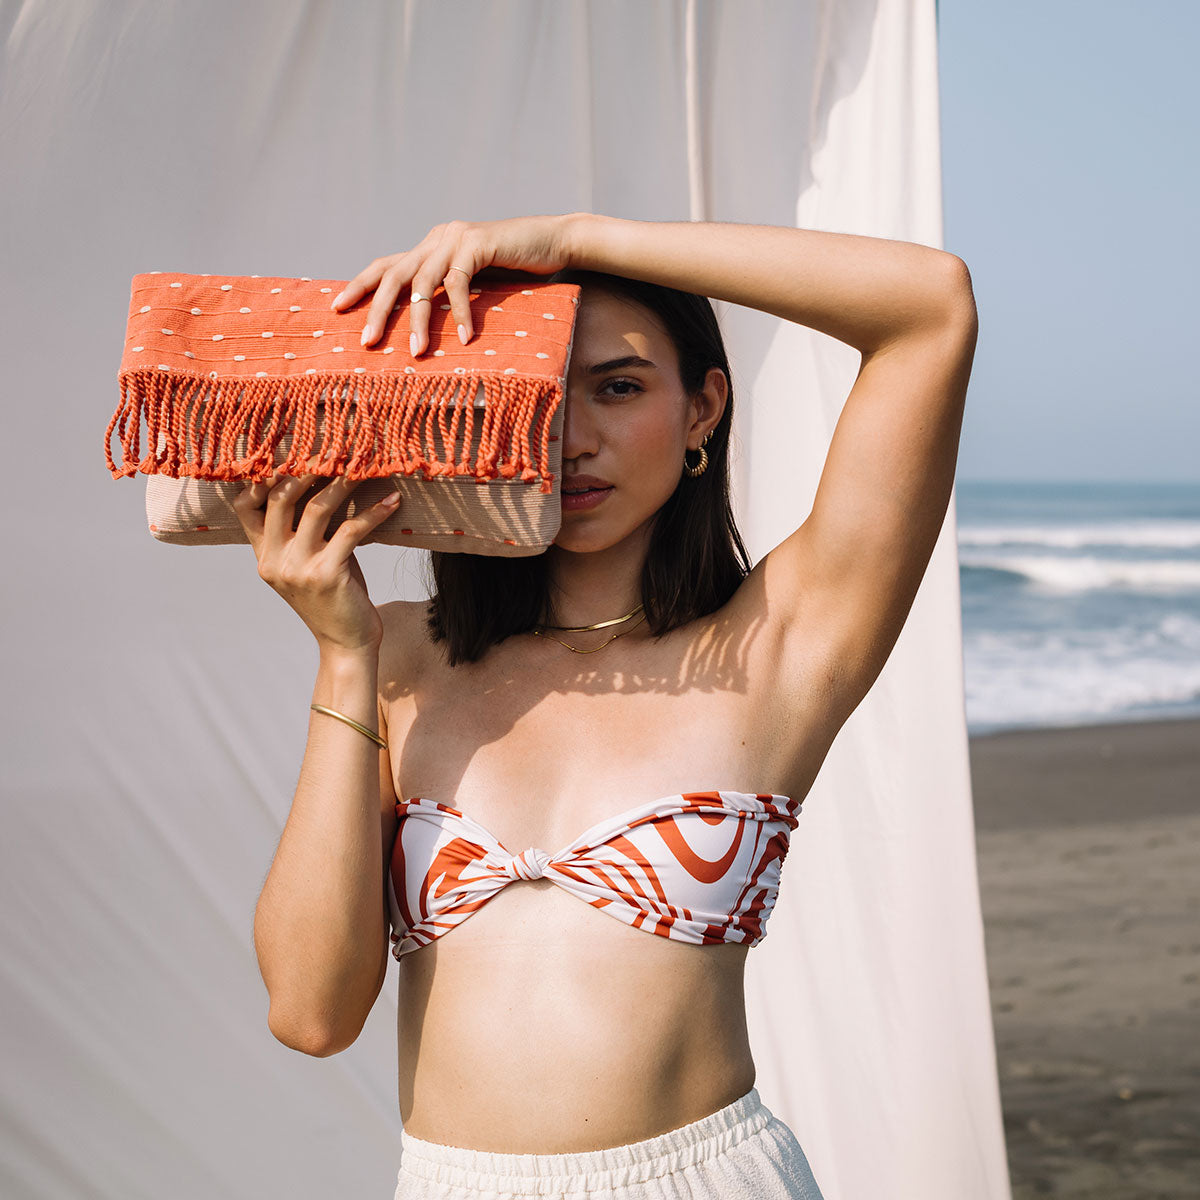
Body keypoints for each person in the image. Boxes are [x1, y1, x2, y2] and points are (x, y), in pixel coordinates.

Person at [236, 213, 978, 1199]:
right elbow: (310, 1012)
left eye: (619, 387)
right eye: (531, 390)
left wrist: (573, 236)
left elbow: (930, 309)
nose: (571, 438)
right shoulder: (404, 655)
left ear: (702, 406)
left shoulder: (780, 644)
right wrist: (342, 654)